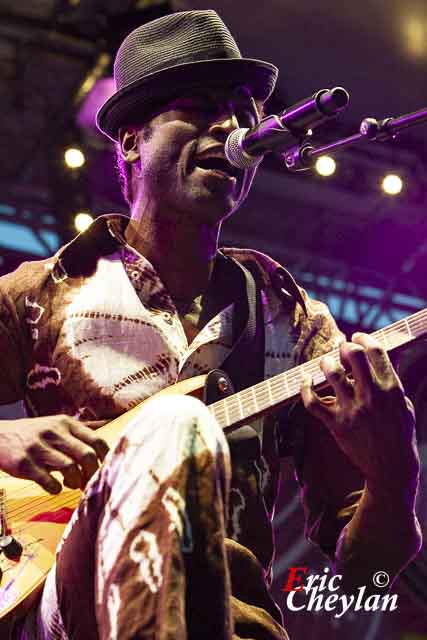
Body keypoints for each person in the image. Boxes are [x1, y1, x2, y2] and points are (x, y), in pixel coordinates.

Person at [0, 9, 421, 640]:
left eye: (244, 113)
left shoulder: (295, 322)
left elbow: (367, 577)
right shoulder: (37, 293)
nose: (232, 127)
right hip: (67, 602)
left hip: (235, 624)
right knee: (177, 421)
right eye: (200, 107)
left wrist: (394, 469)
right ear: (132, 140)